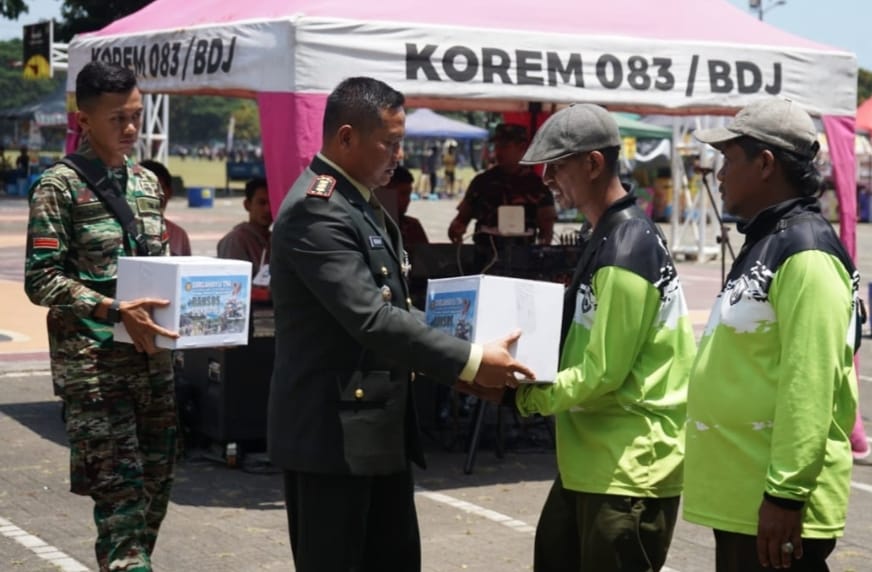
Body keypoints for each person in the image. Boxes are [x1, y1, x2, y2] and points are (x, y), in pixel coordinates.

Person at [268, 76, 535, 572]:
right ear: (346, 137)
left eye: (400, 143)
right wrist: (473, 361)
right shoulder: (317, 210)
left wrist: (464, 356)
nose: (398, 155)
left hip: (371, 432)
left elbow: (392, 304)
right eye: (389, 143)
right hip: (331, 441)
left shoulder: (358, 203)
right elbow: (372, 318)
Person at [503, 104, 697, 571]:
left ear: (593, 163)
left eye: (557, 164)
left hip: (629, 467)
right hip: (594, 463)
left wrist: (522, 398)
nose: (547, 178)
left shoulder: (627, 245)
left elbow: (603, 371)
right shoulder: (610, 235)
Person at [683, 98, 860, 572]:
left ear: (764, 164)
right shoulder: (767, 240)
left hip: (775, 506)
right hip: (743, 499)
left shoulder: (805, 252)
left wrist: (785, 495)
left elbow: (811, 384)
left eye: (728, 159)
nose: (718, 174)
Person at [24, 61, 179, 572]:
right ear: (84, 120)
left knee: (155, 491)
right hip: (94, 371)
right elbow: (40, 279)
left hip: (151, 366)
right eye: (118, 119)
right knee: (122, 503)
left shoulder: (146, 185)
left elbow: (156, 271)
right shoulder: (59, 187)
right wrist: (110, 307)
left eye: (136, 115)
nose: (131, 128)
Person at [448, 123, 556, 246]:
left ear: (522, 147)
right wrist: (456, 230)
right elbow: (461, 220)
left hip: (523, 258)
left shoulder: (537, 187)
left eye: (504, 146)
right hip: (484, 258)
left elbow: (547, 230)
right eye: (496, 145)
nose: (498, 151)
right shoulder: (482, 182)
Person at [217, 177, 272, 275]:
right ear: (247, 205)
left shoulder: (275, 240)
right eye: (261, 203)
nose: (267, 209)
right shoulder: (235, 241)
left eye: (271, 203)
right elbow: (233, 282)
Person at [140, 159, 191, 256]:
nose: (154, 196)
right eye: (147, 189)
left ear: (170, 192)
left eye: (160, 189)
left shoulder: (179, 236)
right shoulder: (118, 231)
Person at [382, 165, 429, 247]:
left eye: (409, 194)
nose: (408, 200)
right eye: (403, 194)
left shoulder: (412, 228)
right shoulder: (370, 225)